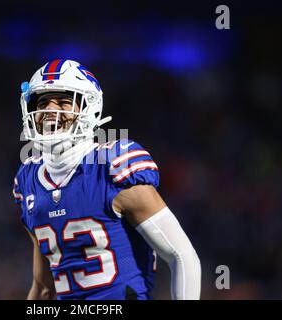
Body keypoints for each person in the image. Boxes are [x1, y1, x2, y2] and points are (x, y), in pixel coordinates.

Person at [12, 59, 201, 300]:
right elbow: (44, 287)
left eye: (63, 102)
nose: (51, 109)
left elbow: (182, 255)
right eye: (43, 102)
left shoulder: (112, 168)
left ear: (89, 109)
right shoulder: (28, 182)